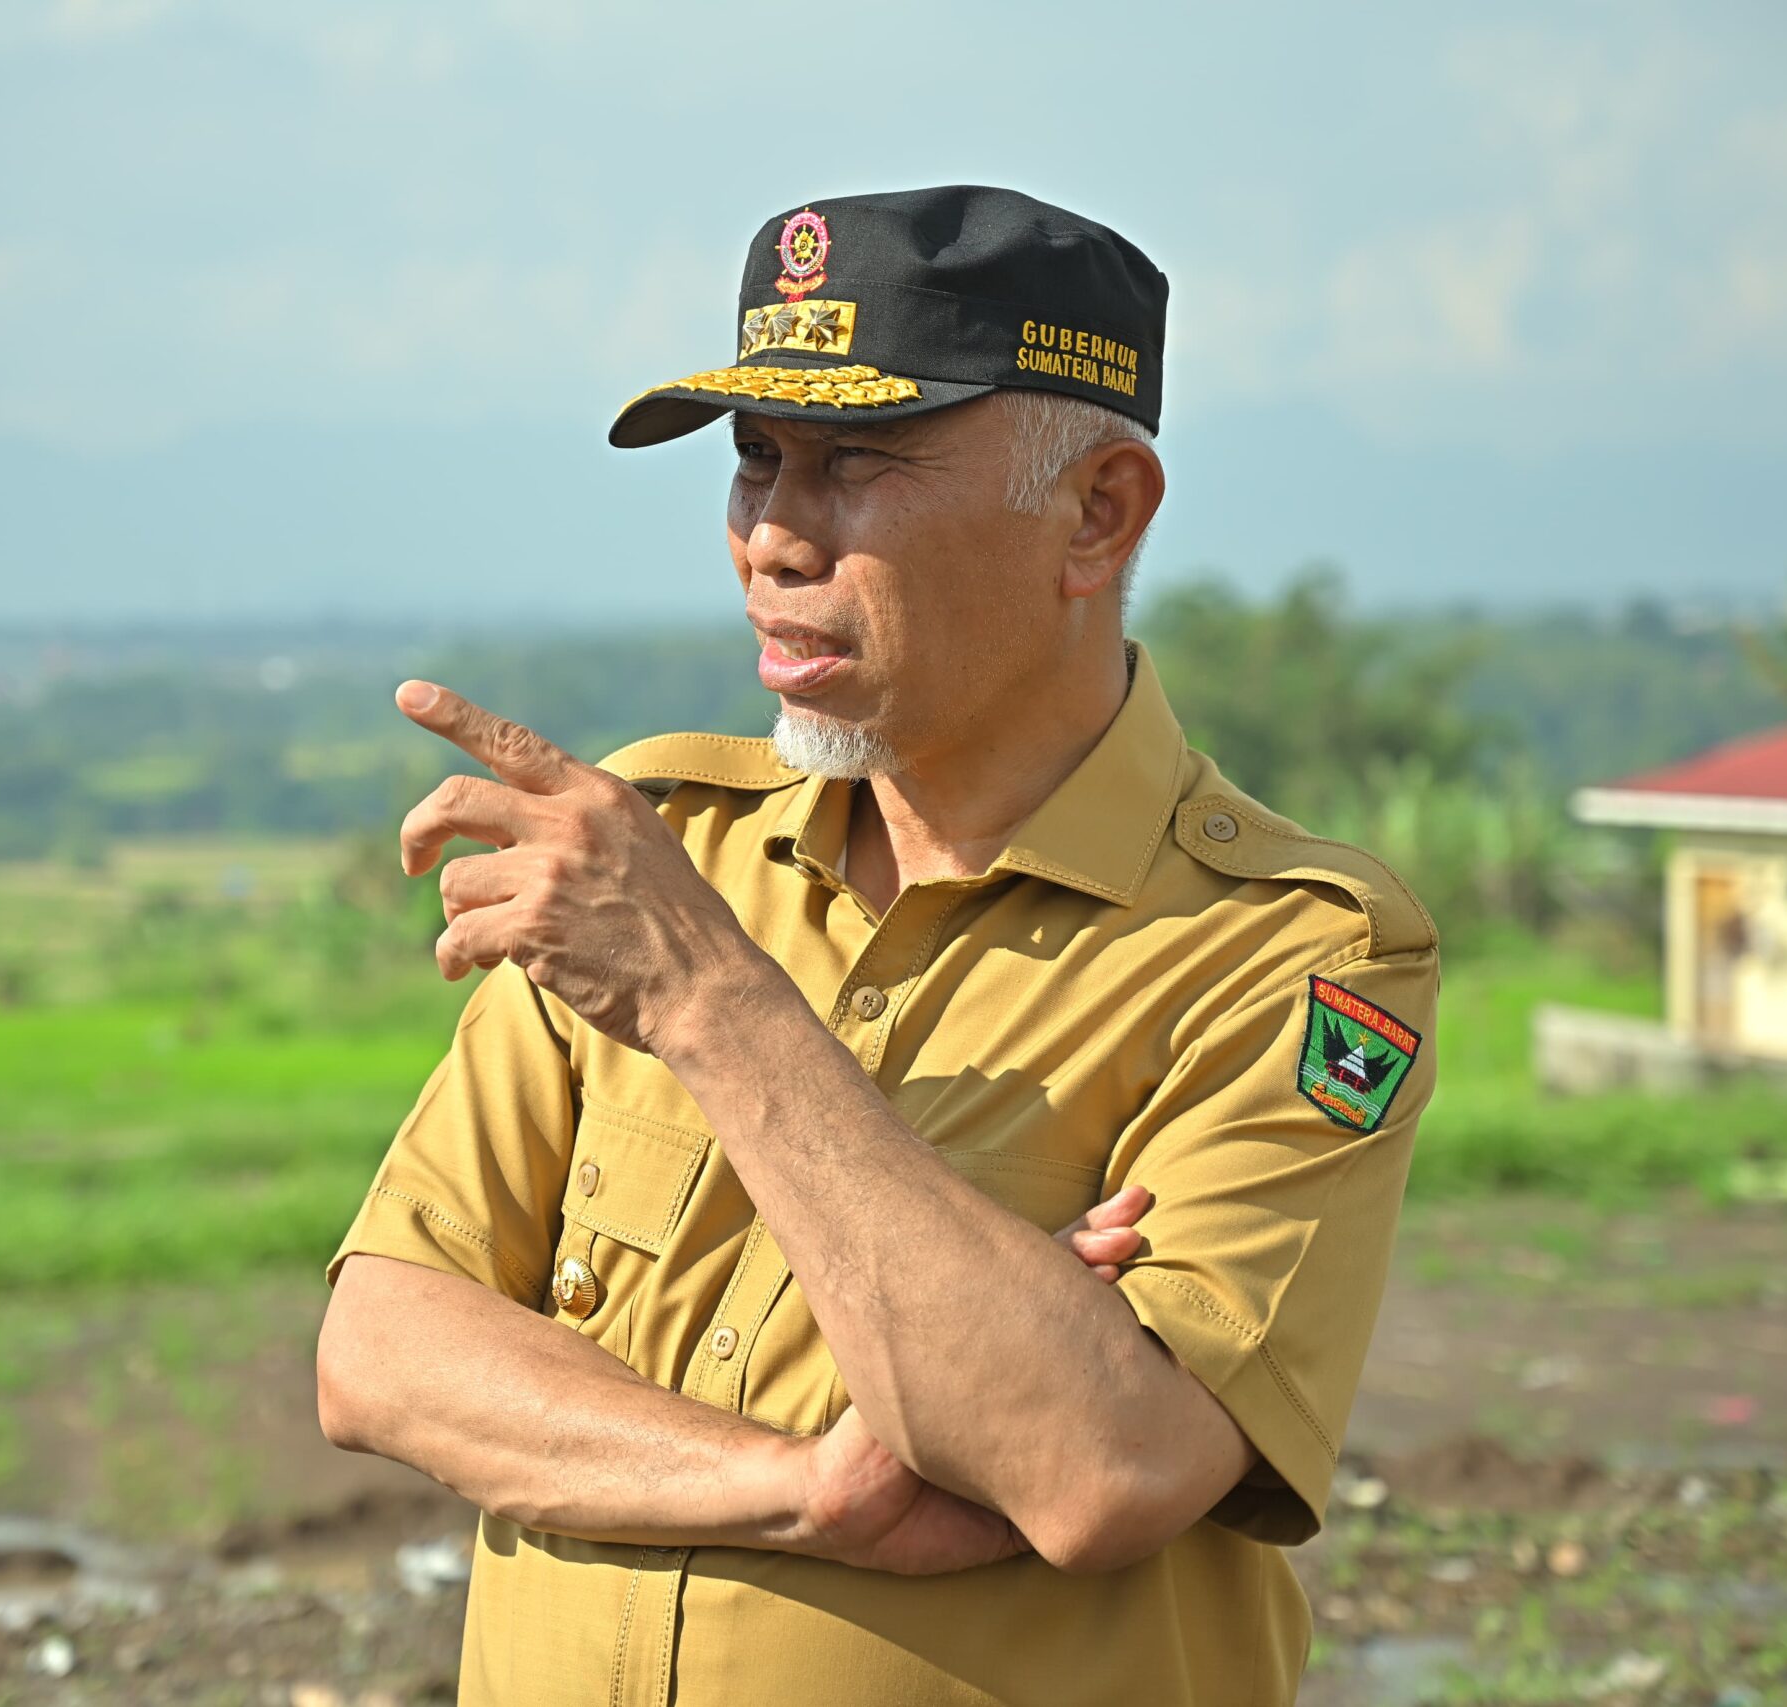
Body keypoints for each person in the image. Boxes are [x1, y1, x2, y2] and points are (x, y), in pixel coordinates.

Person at [315, 184, 1439, 1706]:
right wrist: (798, 1489)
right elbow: (382, 1348)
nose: (775, 539)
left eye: (859, 464)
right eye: (757, 459)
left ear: (1097, 514)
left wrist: (708, 998)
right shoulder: (662, 847)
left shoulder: (1289, 955)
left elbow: (1103, 1466)